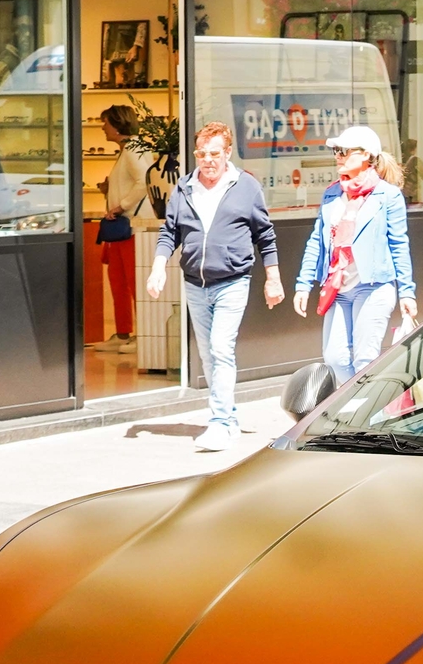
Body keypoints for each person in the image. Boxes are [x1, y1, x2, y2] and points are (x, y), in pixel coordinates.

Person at [147, 121, 284, 453]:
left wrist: (274, 278)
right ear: (196, 154)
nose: (208, 160)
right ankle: (229, 418)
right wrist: (158, 268)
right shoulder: (184, 188)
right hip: (195, 283)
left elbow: (265, 236)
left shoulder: (246, 187)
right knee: (209, 356)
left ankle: (220, 423)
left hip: (233, 281)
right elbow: (170, 233)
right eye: (202, 154)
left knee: (221, 349)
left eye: (214, 154)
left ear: (227, 153)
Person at [294, 125, 416, 383]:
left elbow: (398, 244)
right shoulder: (332, 193)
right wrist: (303, 284)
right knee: (335, 359)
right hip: (337, 288)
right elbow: (316, 240)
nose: (337, 155)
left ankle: (361, 415)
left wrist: (407, 290)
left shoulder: (388, 196)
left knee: (365, 360)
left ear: (366, 155)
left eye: (344, 151)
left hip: (373, 287)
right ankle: (356, 407)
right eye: (336, 151)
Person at [95, 105, 155, 347]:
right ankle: (123, 334)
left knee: (131, 281)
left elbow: (144, 181)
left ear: (117, 125)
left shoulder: (133, 150)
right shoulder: (129, 150)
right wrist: (111, 192)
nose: (102, 128)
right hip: (123, 228)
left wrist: (121, 205)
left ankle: (140, 336)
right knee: (119, 280)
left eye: (106, 123)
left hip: (130, 226)